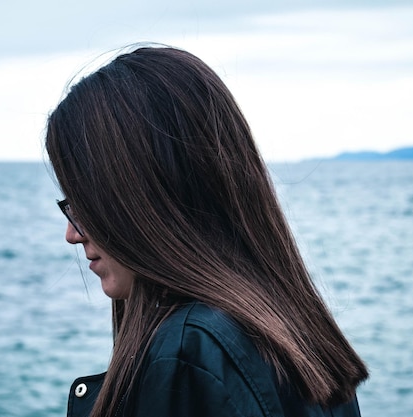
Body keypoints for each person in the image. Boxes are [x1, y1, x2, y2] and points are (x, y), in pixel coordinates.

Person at [45, 46, 368, 417]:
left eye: (84, 203)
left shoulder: (188, 355)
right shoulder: (290, 334)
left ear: (145, 195)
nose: (72, 233)